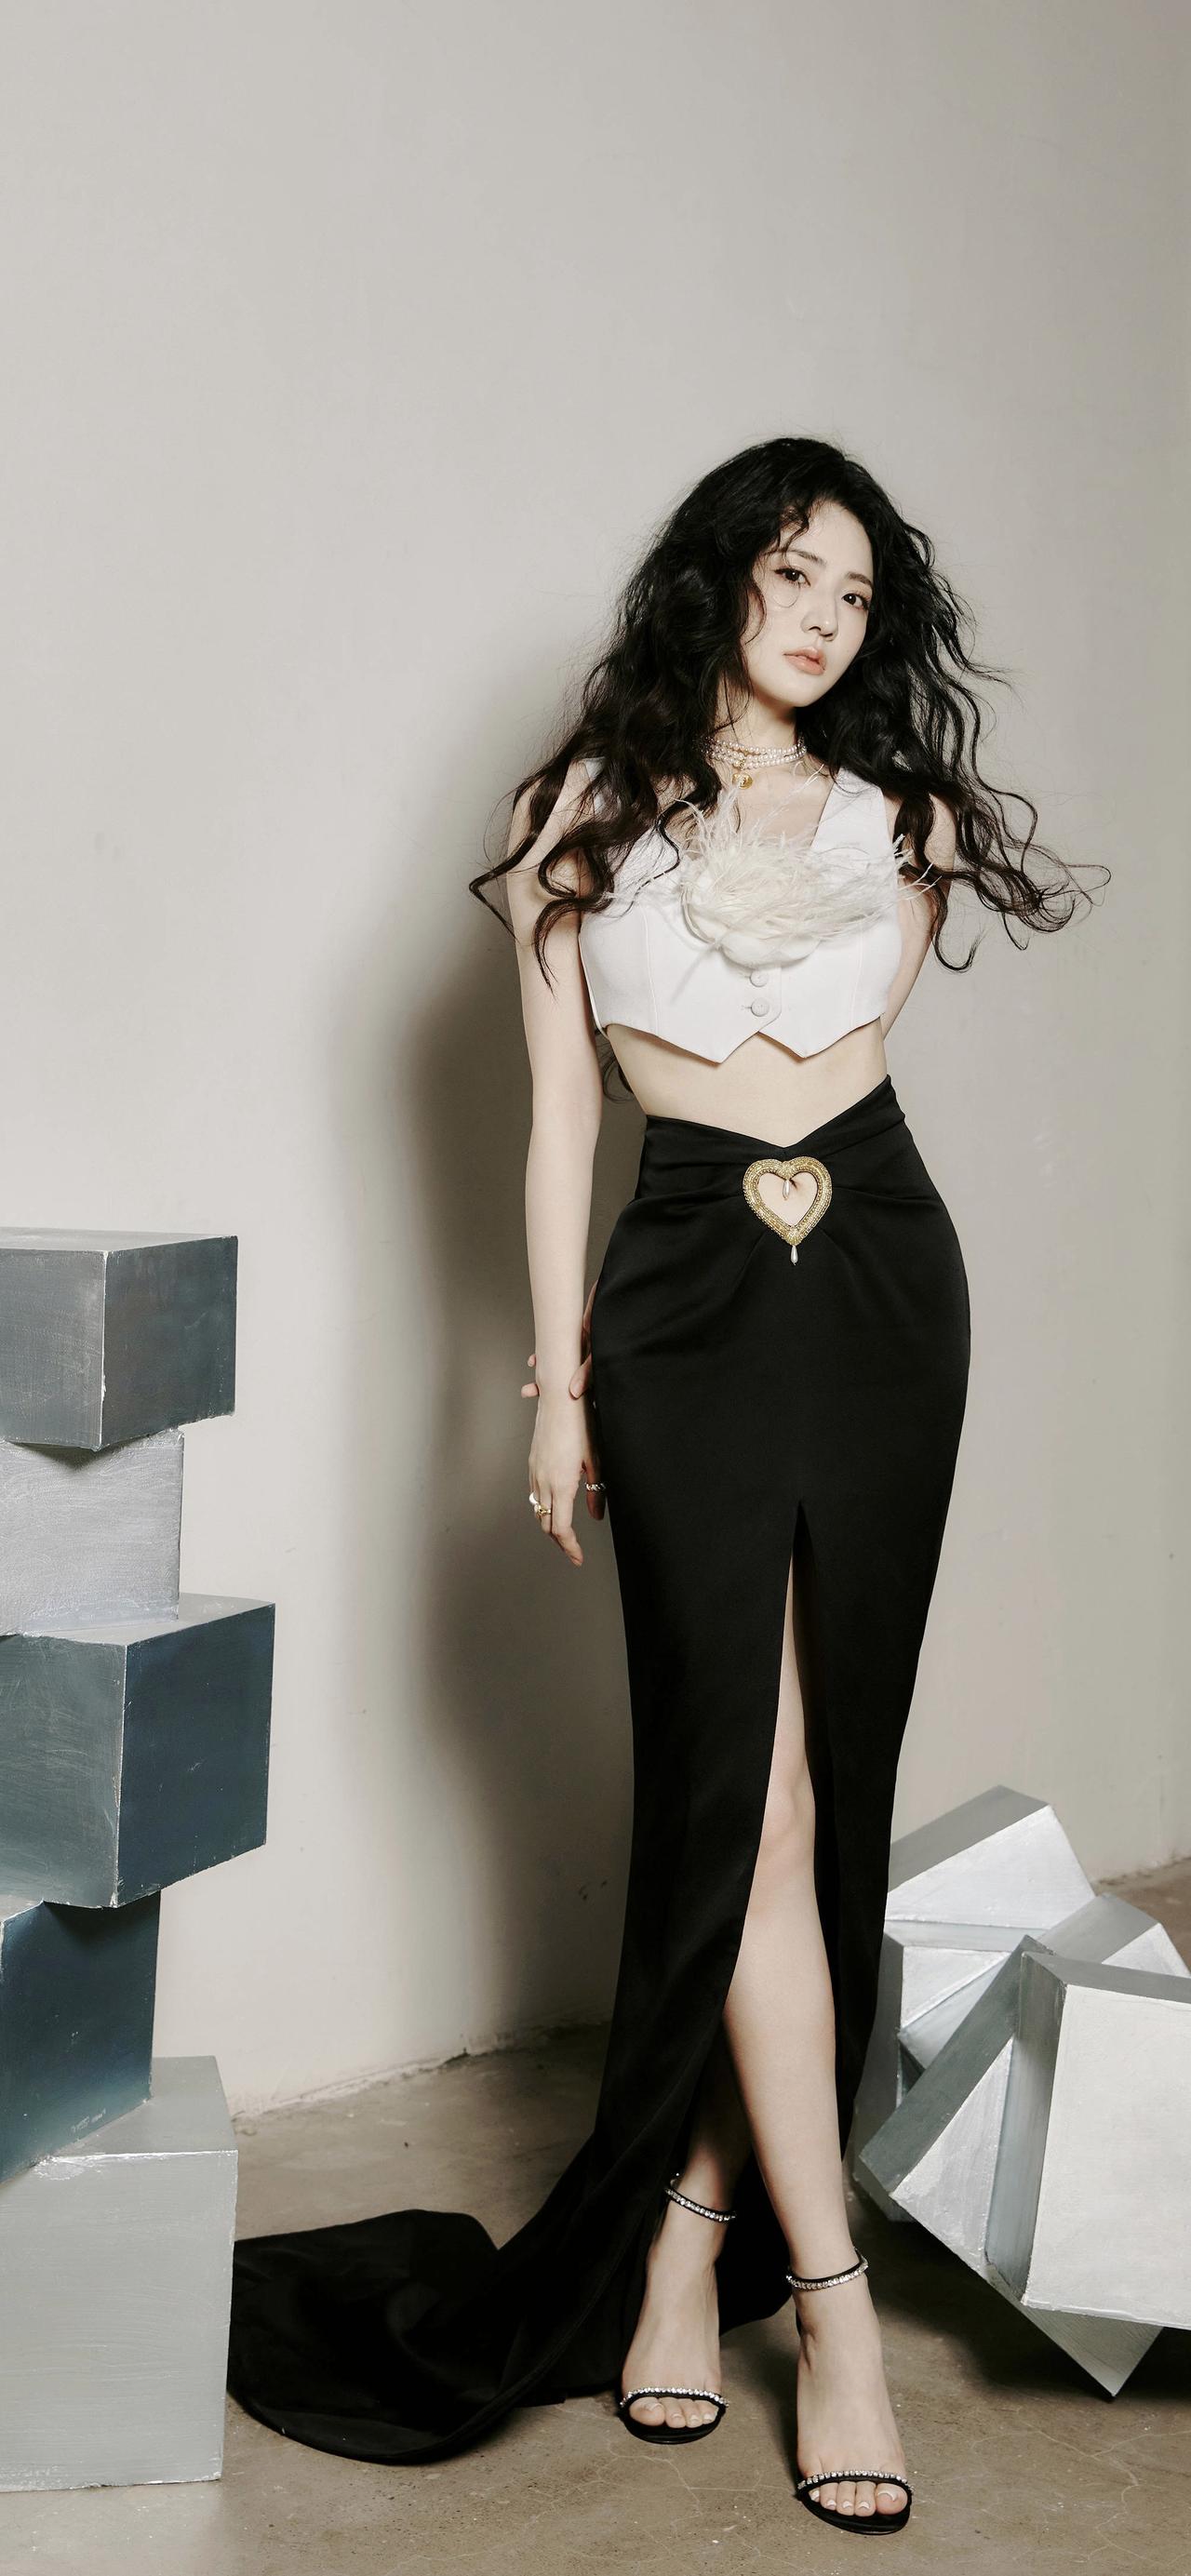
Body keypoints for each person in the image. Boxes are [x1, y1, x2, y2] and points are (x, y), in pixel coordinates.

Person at [226, 436, 1100, 2534]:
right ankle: (833, 2298)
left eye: (857, 595)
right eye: (793, 575)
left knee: (816, 1789)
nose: (824, 620)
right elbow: (560, 1131)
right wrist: (555, 1389)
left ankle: (697, 2236)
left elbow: (852, 1059)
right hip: (685, 1282)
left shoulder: (906, 817)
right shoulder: (577, 819)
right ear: (720, 578)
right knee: (742, 1792)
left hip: (880, 1277)